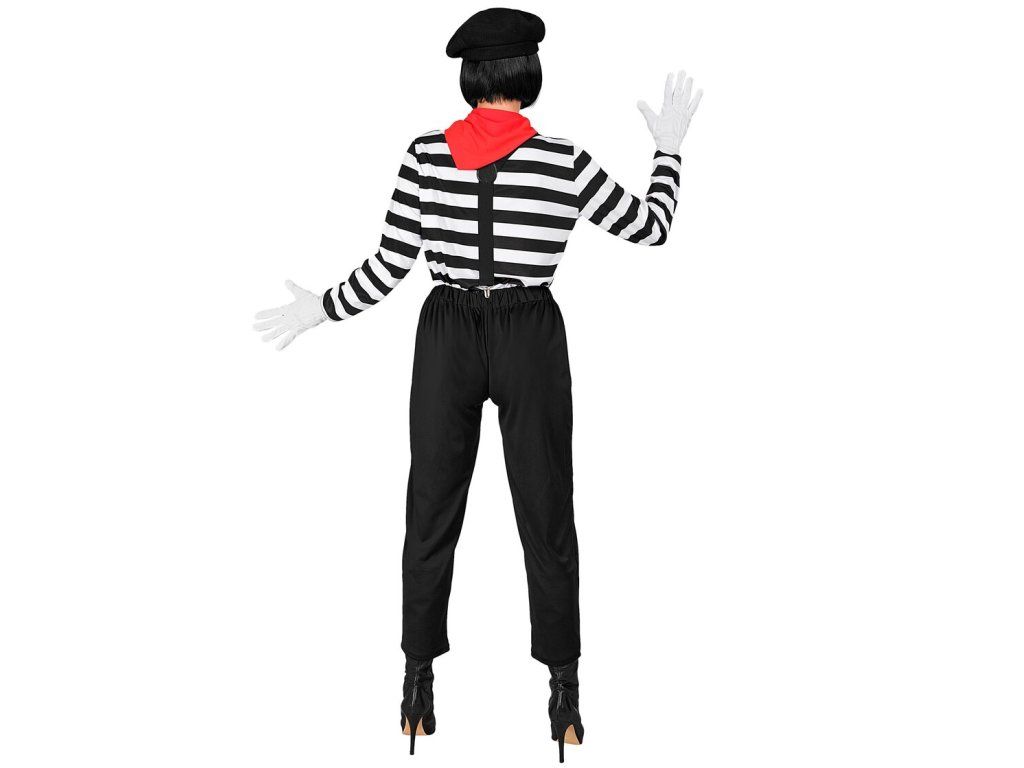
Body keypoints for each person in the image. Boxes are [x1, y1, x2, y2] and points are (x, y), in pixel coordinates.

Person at [253, 8, 702, 762]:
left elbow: (388, 267)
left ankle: (416, 684)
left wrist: (321, 309)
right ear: (529, 74)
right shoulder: (563, 161)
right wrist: (668, 152)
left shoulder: (426, 155)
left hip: (448, 335)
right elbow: (652, 227)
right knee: (547, 512)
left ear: (470, 76)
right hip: (529, 334)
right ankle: (564, 694)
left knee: (430, 509)